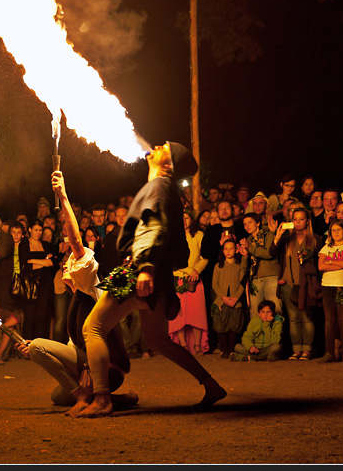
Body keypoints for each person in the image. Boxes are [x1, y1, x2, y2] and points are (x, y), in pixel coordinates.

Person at [79, 142, 227, 418]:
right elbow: (177, 247)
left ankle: (101, 399)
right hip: (158, 279)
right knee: (158, 340)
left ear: (168, 165)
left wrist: (146, 265)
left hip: (141, 272)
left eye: (164, 148)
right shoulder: (167, 190)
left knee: (93, 328)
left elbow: (153, 224)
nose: (156, 146)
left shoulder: (159, 186)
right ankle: (211, 385)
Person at [20, 170, 139, 413]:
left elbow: (75, 241)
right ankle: (119, 400)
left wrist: (63, 196)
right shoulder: (77, 295)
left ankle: (86, 396)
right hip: (94, 366)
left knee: (38, 349)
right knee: (58, 395)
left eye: (68, 263)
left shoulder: (90, 283)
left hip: (108, 368)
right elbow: (74, 347)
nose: (66, 264)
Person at [276, 207, 321, 360]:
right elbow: (272, 252)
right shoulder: (288, 239)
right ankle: (296, 350)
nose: (298, 222)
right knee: (294, 318)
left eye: (301, 219)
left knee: (306, 316)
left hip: (306, 284)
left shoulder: (315, 239)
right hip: (288, 283)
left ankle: (307, 349)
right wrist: (277, 236)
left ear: (307, 221)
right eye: (295, 219)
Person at [169, 211, 209, 355]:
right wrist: (188, 270)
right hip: (177, 278)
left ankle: (197, 344)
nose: (184, 221)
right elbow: (172, 260)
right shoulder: (173, 238)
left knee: (196, 312)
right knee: (179, 314)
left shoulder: (198, 235)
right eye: (181, 218)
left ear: (192, 220)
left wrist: (196, 271)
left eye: (186, 218)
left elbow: (205, 256)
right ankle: (183, 345)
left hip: (194, 278)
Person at [317, 219, 343, 364]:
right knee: (329, 320)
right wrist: (340, 264)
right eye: (333, 230)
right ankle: (329, 352)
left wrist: (331, 262)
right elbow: (321, 266)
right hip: (327, 285)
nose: (336, 233)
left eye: (338, 230)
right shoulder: (326, 247)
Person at [211, 238, 248, 359]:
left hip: (235, 301)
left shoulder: (239, 265)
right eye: (225, 249)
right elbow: (214, 284)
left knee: (234, 325)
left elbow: (243, 282)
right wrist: (223, 297)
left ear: (236, 250)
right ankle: (223, 349)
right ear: (222, 251)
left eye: (231, 248)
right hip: (221, 301)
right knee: (221, 325)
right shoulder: (218, 266)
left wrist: (236, 298)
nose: (228, 251)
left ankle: (231, 349)